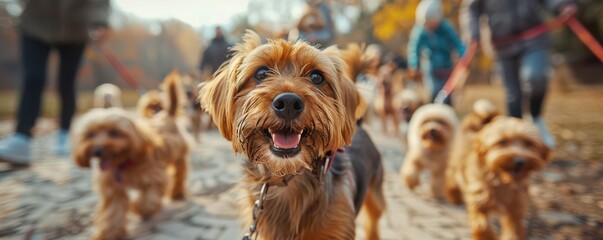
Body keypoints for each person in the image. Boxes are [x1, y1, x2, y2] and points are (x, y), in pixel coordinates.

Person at [0, 0, 110, 165]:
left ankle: (64, 133)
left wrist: (100, 21)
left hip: (75, 29)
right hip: (35, 24)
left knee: (67, 82)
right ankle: (22, 137)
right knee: (33, 78)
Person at [462, 0, 577, 148]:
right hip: (502, 43)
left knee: (536, 78)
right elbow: (471, 9)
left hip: (533, 38)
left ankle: (536, 119)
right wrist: (473, 33)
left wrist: (562, 5)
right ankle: (516, 139)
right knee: (513, 95)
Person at [407, 0, 465, 106]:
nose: (427, 26)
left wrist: (464, 56)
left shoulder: (446, 28)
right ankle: (433, 112)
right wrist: (414, 65)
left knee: (447, 96)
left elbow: (458, 43)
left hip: (447, 67)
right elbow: (414, 48)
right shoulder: (420, 31)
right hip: (430, 68)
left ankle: (446, 114)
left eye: (429, 23)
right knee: (434, 94)